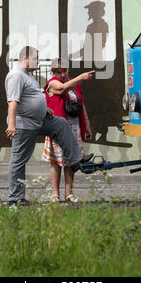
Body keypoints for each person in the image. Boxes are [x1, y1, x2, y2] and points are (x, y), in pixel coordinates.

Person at [5, 46, 95, 206]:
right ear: (26, 57)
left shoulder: (27, 75)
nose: (38, 62)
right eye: (36, 59)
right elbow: (13, 102)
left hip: (38, 120)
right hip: (24, 124)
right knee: (19, 160)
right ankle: (15, 198)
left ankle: (75, 161)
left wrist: (44, 109)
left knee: (60, 123)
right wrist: (12, 125)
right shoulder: (16, 75)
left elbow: (31, 97)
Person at [42, 58, 93, 203]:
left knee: (71, 161)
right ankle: (55, 193)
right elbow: (61, 88)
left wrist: (87, 124)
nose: (63, 74)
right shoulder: (52, 83)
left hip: (74, 126)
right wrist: (81, 77)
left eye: (65, 71)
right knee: (57, 161)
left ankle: (69, 193)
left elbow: (81, 104)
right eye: (59, 72)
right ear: (53, 72)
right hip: (58, 127)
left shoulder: (73, 83)